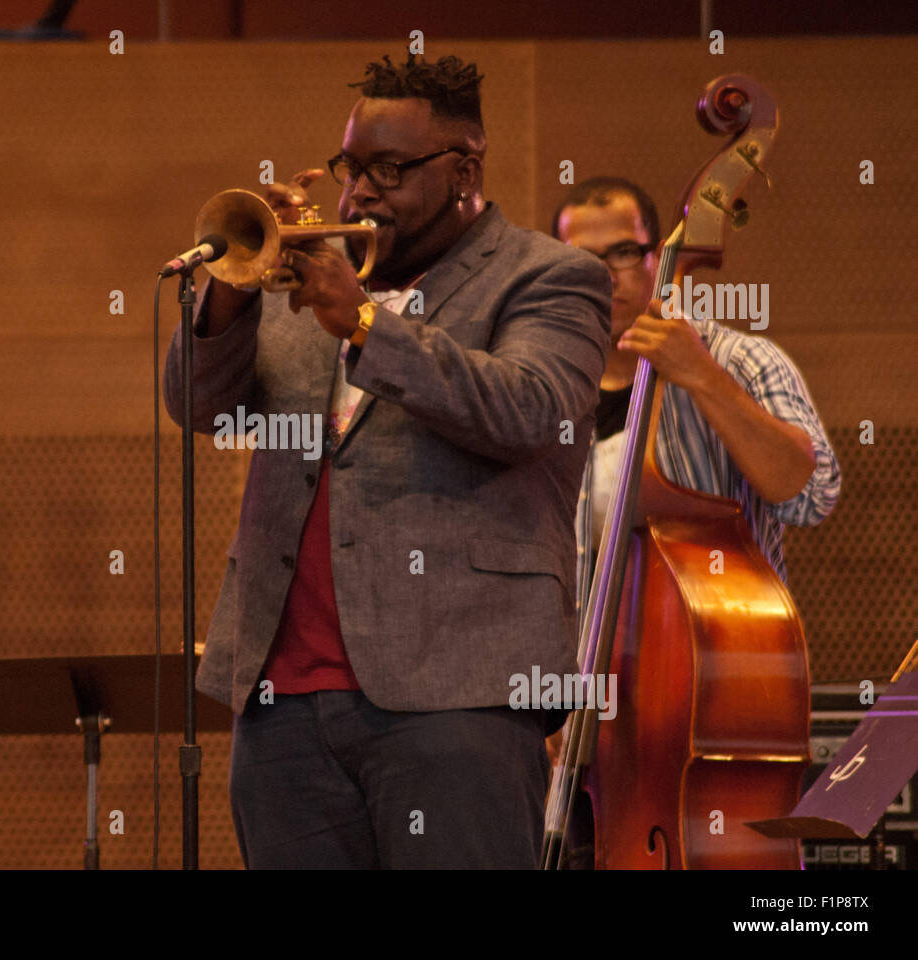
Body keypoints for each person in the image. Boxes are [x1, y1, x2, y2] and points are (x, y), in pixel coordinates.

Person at [164, 53, 611, 868]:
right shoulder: (308, 284)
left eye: (388, 170)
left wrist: (367, 322)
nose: (358, 193)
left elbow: (530, 410)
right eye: (350, 168)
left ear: (464, 169)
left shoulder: (550, 277)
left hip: (458, 697)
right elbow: (202, 408)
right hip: (281, 700)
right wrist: (229, 293)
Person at [548, 177, 841, 866]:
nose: (605, 277)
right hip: (576, 736)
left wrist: (701, 376)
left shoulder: (742, 360)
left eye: (623, 252)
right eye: (579, 261)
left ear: (662, 256)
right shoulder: (545, 384)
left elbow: (809, 493)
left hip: (699, 724)